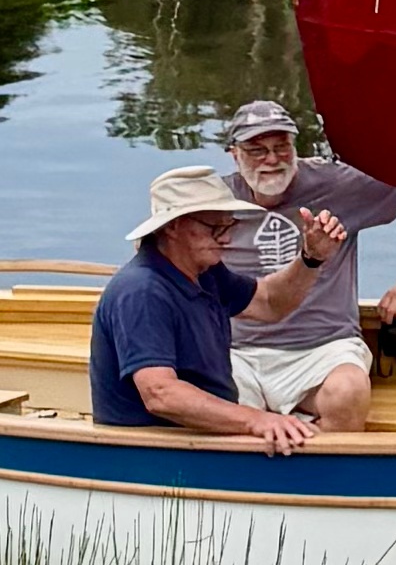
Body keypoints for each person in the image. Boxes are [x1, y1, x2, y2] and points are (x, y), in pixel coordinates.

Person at [215, 99, 396, 432]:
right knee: (210, 404)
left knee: (347, 393)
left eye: (281, 147)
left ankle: (315, 456)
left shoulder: (338, 184)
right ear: (234, 154)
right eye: (257, 150)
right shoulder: (214, 199)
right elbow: (165, 245)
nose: (272, 159)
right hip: (236, 349)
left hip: (323, 347)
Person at [86, 164, 349, 449]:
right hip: (153, 451)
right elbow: (160, 393)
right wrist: (256, 420)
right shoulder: (142, 291)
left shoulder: (206, 272)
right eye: (215, 228)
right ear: (173, 227)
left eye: (229, 225)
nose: (226, 238)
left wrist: (311, 259)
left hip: (200, 440)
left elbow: (270, 303)